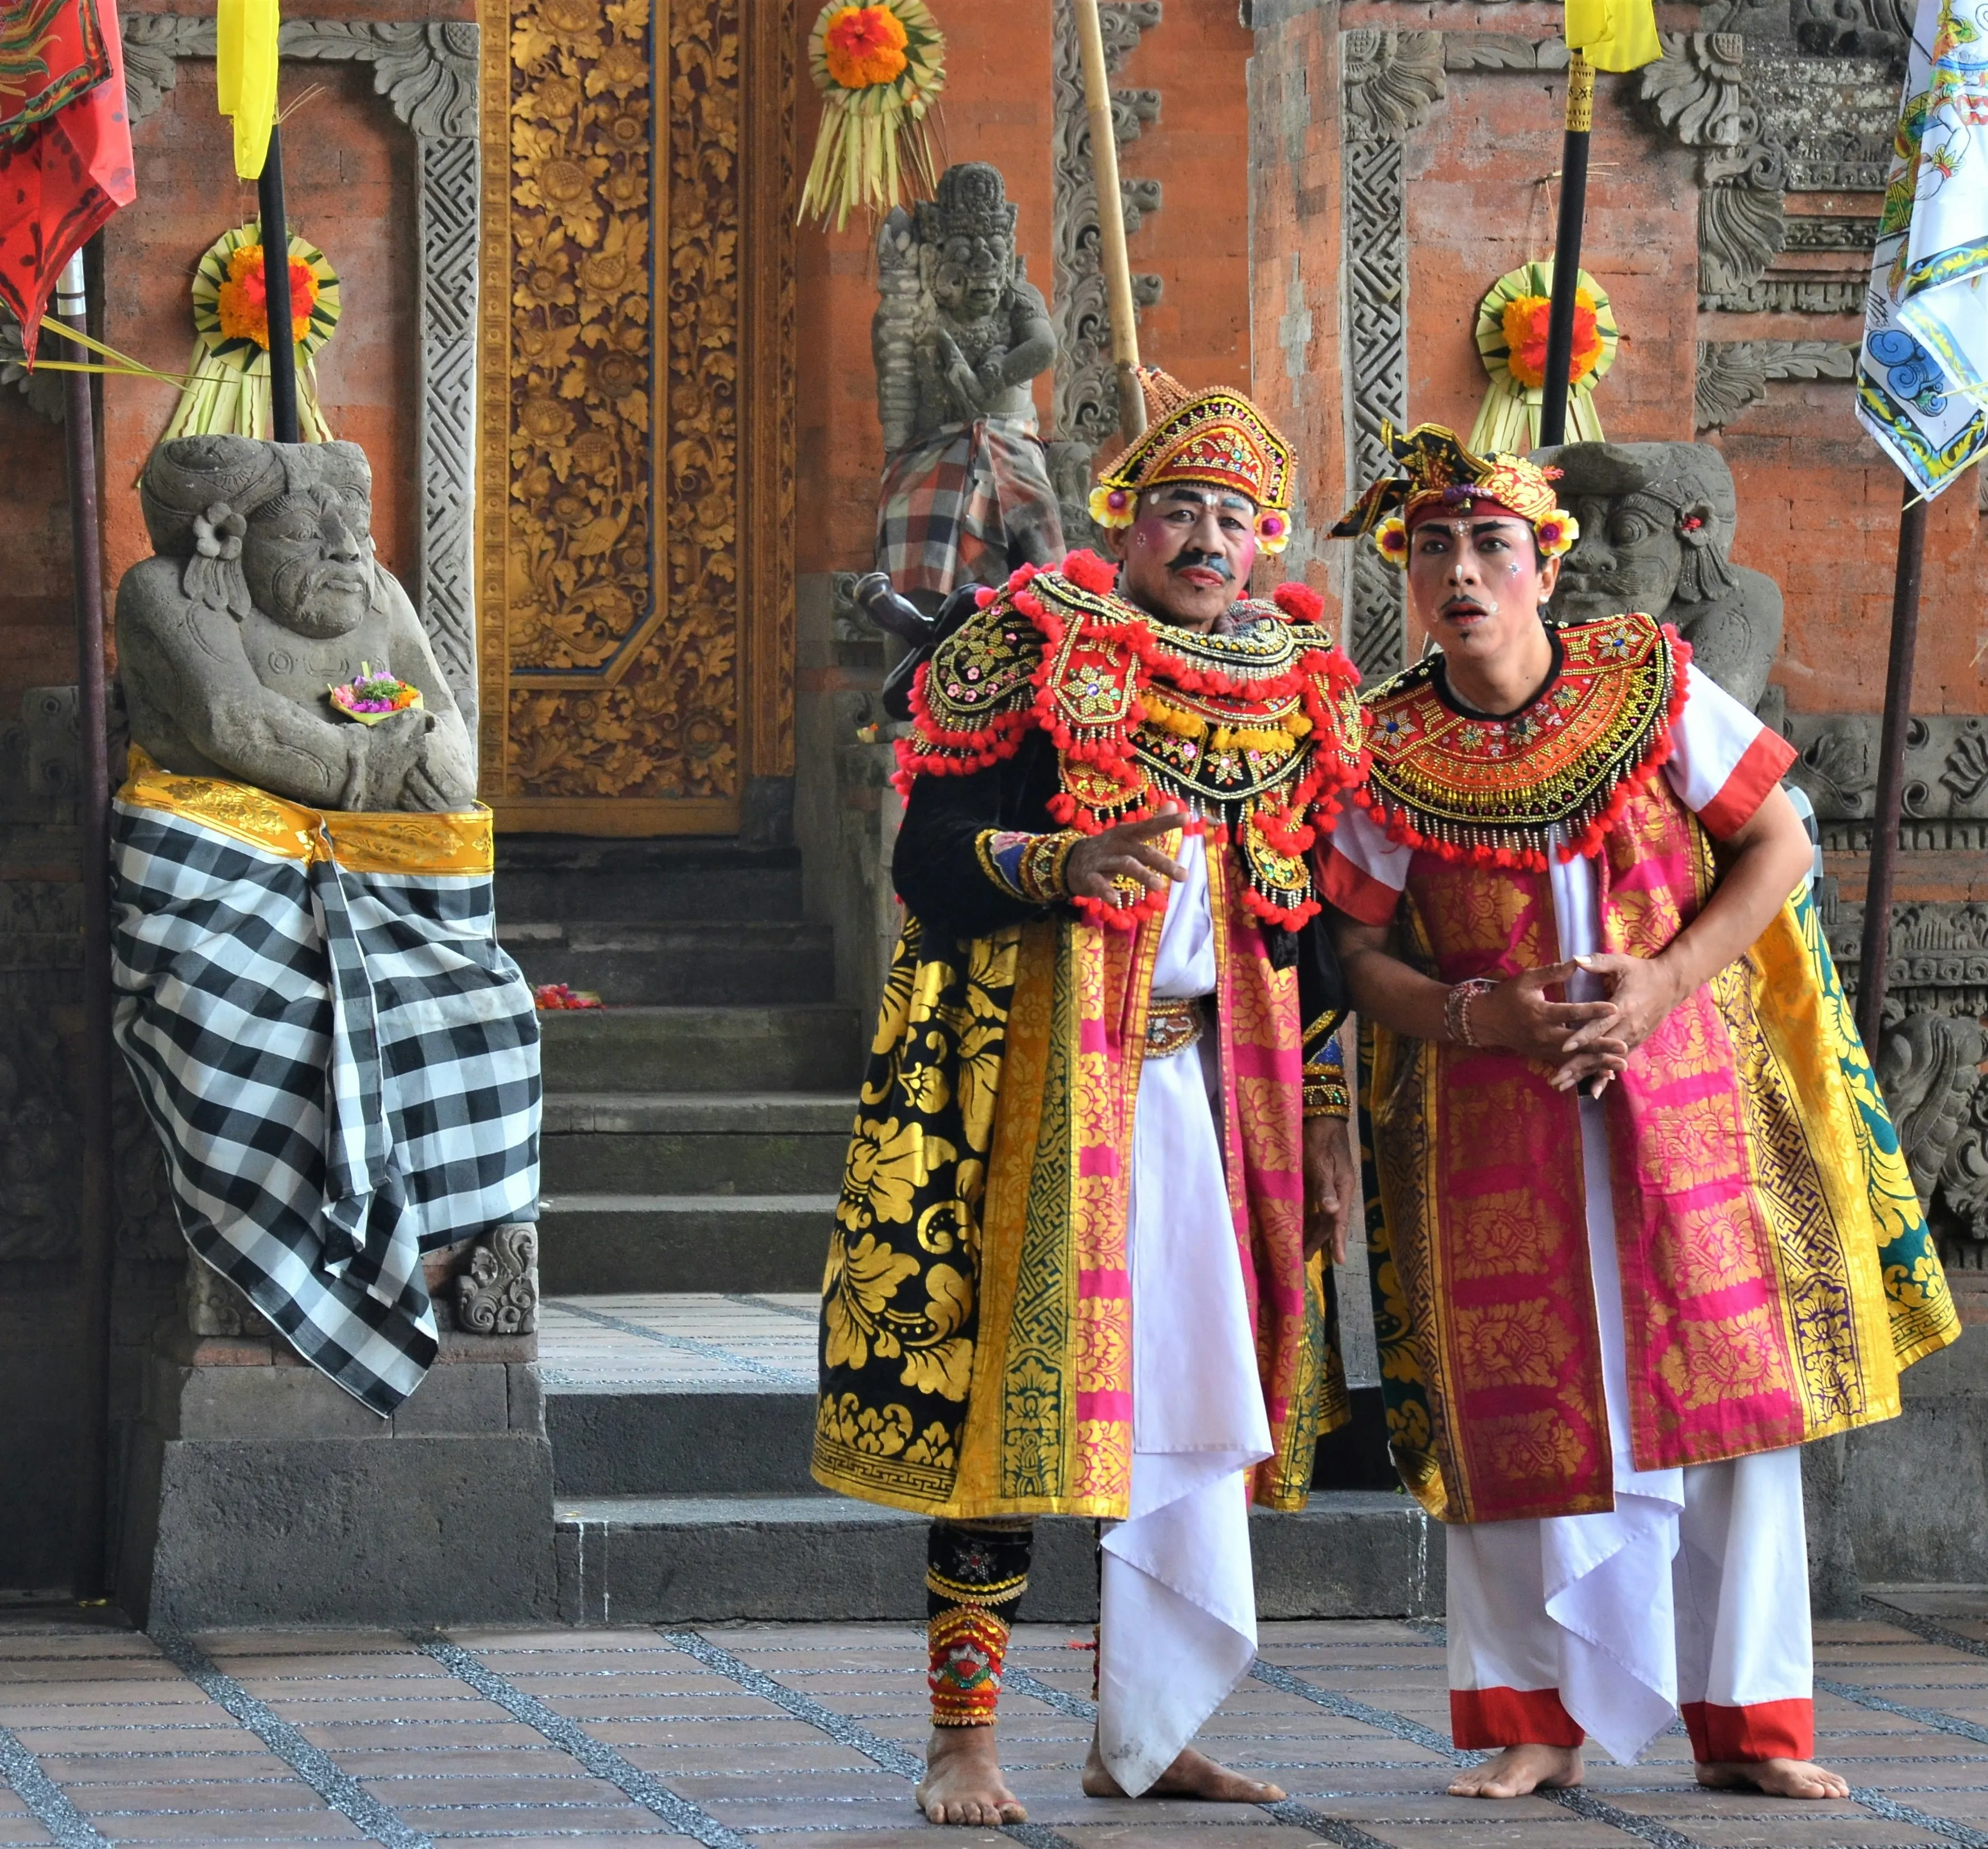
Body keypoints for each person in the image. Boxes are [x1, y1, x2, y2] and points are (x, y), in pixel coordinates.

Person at [1319, 424, 1959, 1801]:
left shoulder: (1650, 684)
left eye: (1490, 544)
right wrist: (1473, 1018)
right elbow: (1351, 952)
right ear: (1404, 576)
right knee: (1514, 1409)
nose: (1460, 573)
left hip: (1686, 1098)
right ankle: (1527, 1720)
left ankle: (1752, 1726)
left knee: (1729, 1411)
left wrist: (1666, 977)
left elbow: (1781, 838)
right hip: (1491, 1116)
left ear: (1544, 566)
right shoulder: (1379, 747)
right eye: (1430, 547)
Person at [815, 368, 1368, 1825]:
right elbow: (927, 853)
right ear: (1122, 525)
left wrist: (1318, 1115)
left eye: (1234, 518)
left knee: (1194, 1396)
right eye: (1176, 509)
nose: (1204, 538)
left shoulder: (1293, 689)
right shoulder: (1033, 643)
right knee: (1013, 1390)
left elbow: (1301, 928)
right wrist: (1057, 864)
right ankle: (962, 1735)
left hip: (1215, 1088)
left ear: (1268, 544)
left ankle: (1152, 1730)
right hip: (1040, 1080)